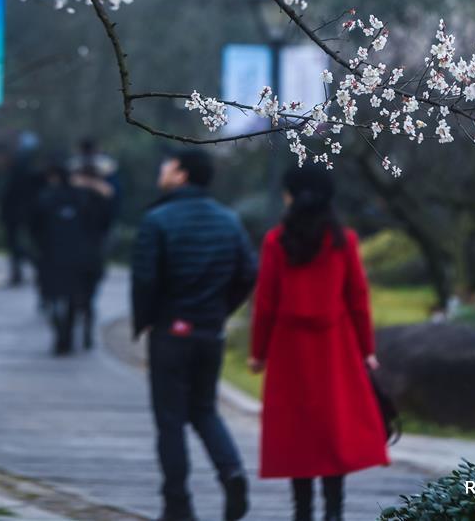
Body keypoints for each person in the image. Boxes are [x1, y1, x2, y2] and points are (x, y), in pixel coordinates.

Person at [249, 164, 389, 521]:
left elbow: (265, 302)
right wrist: (366, 349)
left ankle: (302, 513)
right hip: (335, 348)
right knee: (332, 431)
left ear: (293, 196)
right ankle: (334, 512)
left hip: (288, 351)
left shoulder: (275, 241)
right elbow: (358, 297)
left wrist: (258, 353)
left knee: (297, 432)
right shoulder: (345, 241)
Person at [132, 148, 256, 521]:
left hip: (171, 331)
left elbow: (145, 278)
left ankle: (177, 505)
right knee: (204, 410)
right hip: (209, 332)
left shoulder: (157, 219)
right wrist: (219, 312)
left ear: (182, 175)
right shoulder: (229, 220)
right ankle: (231, 472)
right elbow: (248, 273)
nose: (162, 170)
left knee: (170, 421)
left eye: (167, 165)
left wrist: (146, 320)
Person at [33, 157, 114, 354]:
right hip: (82, 258)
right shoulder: (86, 198)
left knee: (56, 298)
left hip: (53, 258)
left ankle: (64, 334)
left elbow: (34, 227)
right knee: (77, 298)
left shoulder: (46, 198)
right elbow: (103, 224)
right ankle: (69, 334)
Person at [0, 131, 41, 286]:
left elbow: (11, 191)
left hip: (16, 211)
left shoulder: (21, 163)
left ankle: (29, 268)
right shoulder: (28, 164)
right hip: (22, 210)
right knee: (17, 243)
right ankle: (21, 271)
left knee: (16, 243)